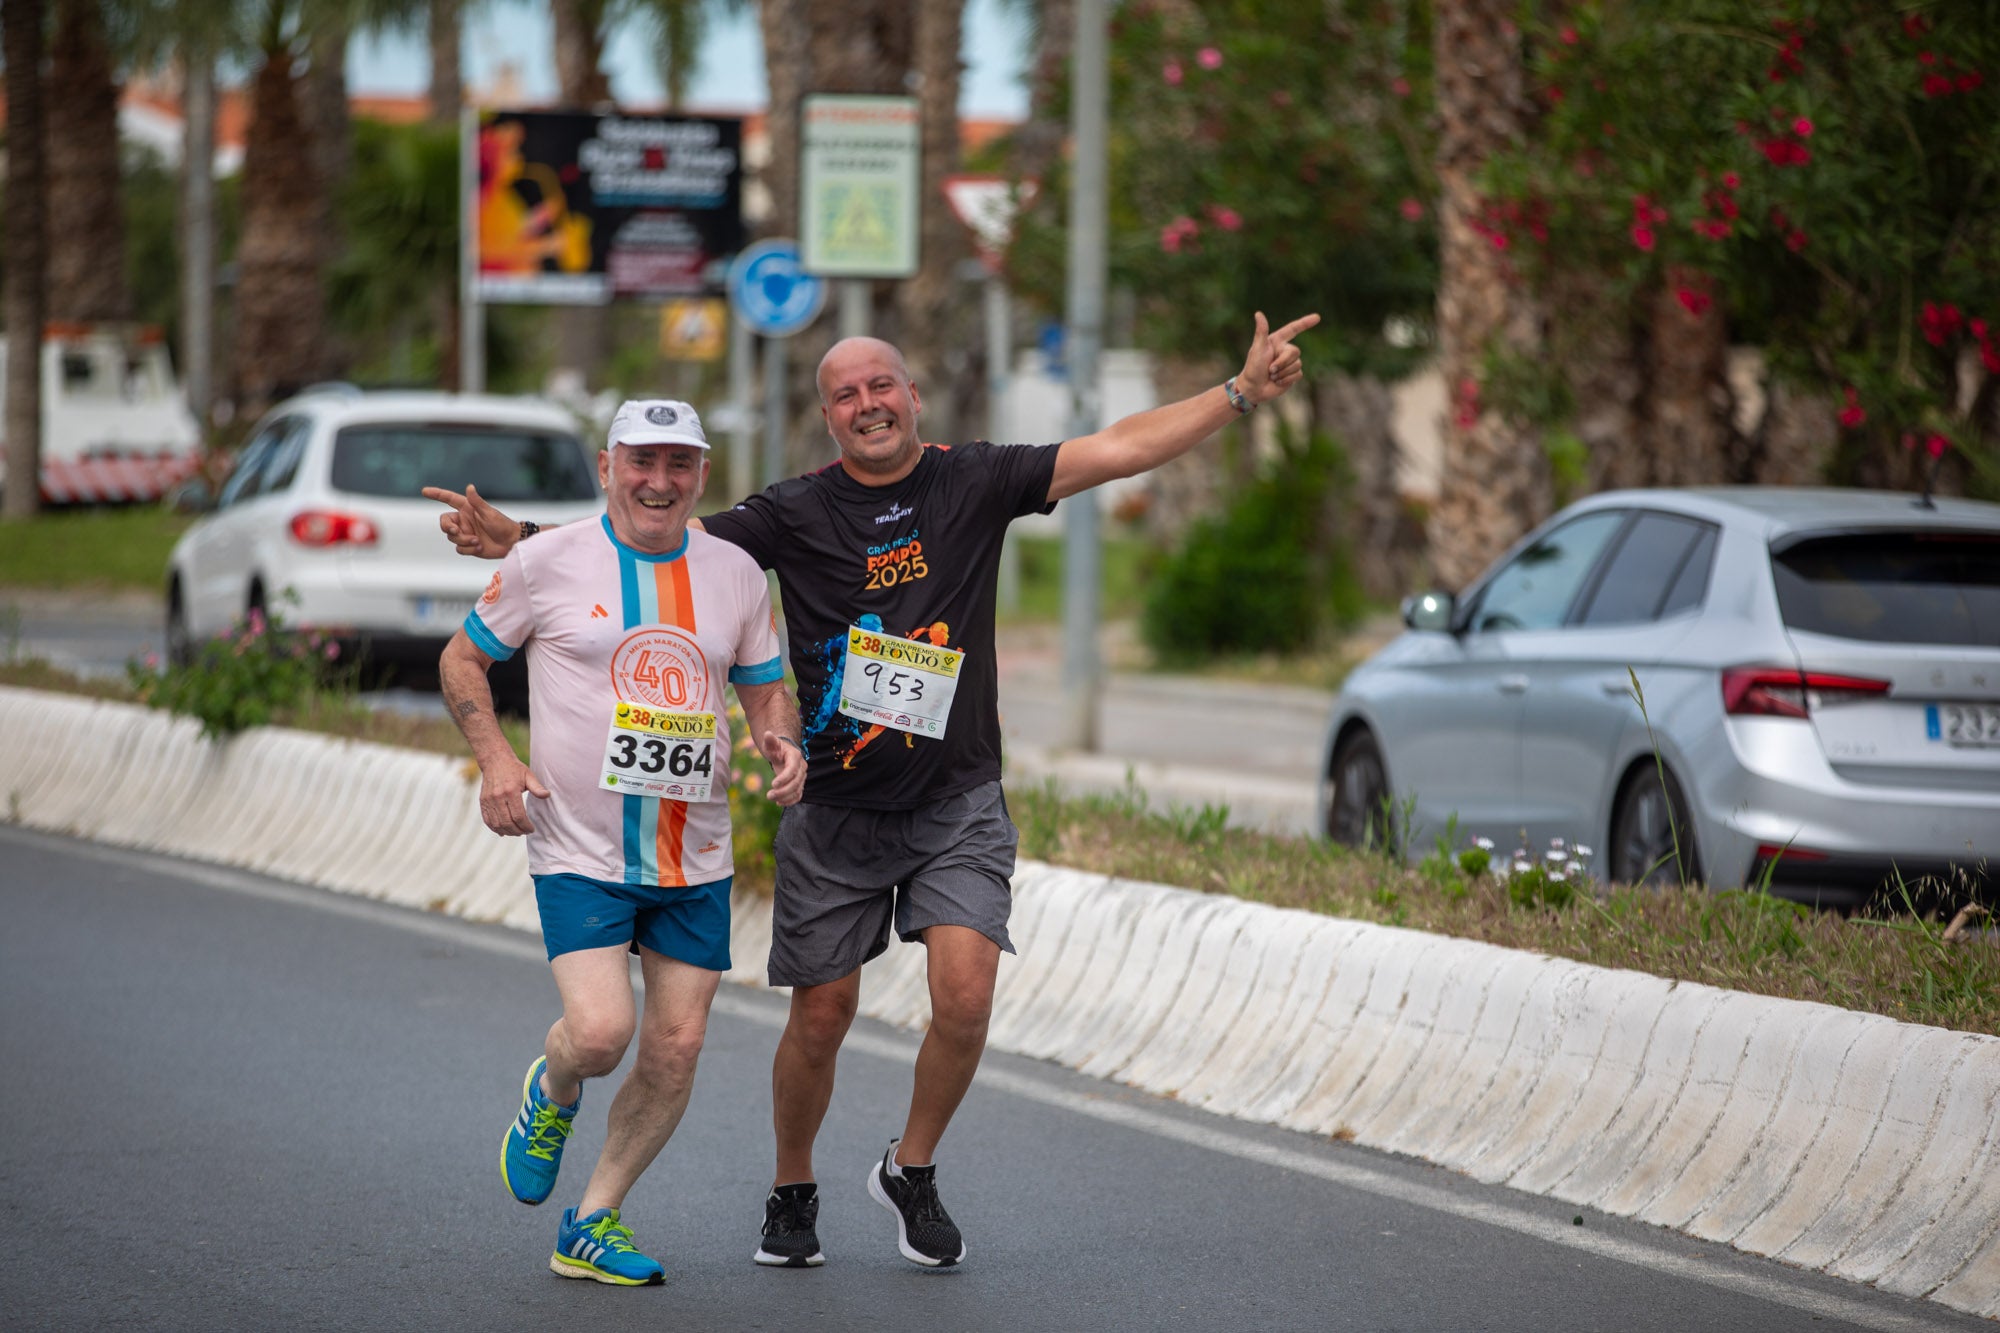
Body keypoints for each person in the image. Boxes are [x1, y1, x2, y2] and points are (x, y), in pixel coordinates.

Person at [428, 311, 1318, 1271]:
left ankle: (912, 1166)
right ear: (827, 416)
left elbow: (1115, 448)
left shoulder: (976, 478)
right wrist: (521, 540)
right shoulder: (791, 513)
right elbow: (651, 538)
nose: (868, 404)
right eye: (846, 394)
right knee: (820, 1014)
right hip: (838, 807)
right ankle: (793, 1185)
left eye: (881, 385)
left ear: (912, 397)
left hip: (956, 799)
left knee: (967, 992)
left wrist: (1236, 395)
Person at [439, 398, 806, 1286]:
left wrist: (778, 737)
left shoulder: (737, 573)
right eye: (641, 461)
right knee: (602, 1033)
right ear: (607, 468)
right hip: (579, 843)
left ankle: (593, 1218)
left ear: (702, 477)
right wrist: (495, 758)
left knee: (675, 1047)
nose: (659, 480)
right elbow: (461, 659)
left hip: (697, 853)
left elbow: (764, 686)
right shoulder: (545, 561)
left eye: (679, 464)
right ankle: (554, 1085)